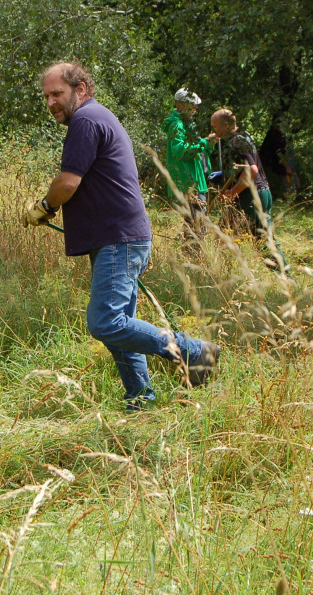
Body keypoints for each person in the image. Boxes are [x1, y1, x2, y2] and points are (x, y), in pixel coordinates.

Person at [23, 62, 220, 410]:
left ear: (80, 89)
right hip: (119, 237)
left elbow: (68, 181)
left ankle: (194, 351)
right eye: (47, 96)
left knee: (106, 322)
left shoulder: (85, 120)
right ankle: (140, 399)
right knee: (120, 325)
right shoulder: (96, 117)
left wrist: (44, 207)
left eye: (58, 93)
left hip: (118, 239)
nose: (51, 102)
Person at [211, 109, 286, 269]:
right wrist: (223, 176)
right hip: (254, 195)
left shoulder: (237, 141)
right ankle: (226, 275)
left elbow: (252, 170)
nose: (213, 131)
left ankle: (287, 280)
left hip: (252, 197)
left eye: (215, 127)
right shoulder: (239, 139)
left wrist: (232, 192)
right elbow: (240, 168)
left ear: (225, 125)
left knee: (262, 241)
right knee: (223, 235)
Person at [161, 88, 216, 212]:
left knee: (195, 223)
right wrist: (205, 142)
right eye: (192, 104)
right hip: (187, 181)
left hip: (196, 179)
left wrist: (209, 145)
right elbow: (179, 151)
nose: (196, 107)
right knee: (196, 223)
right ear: (180, 104)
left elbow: (199, 151)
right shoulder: (176, 125)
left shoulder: (188, 123)